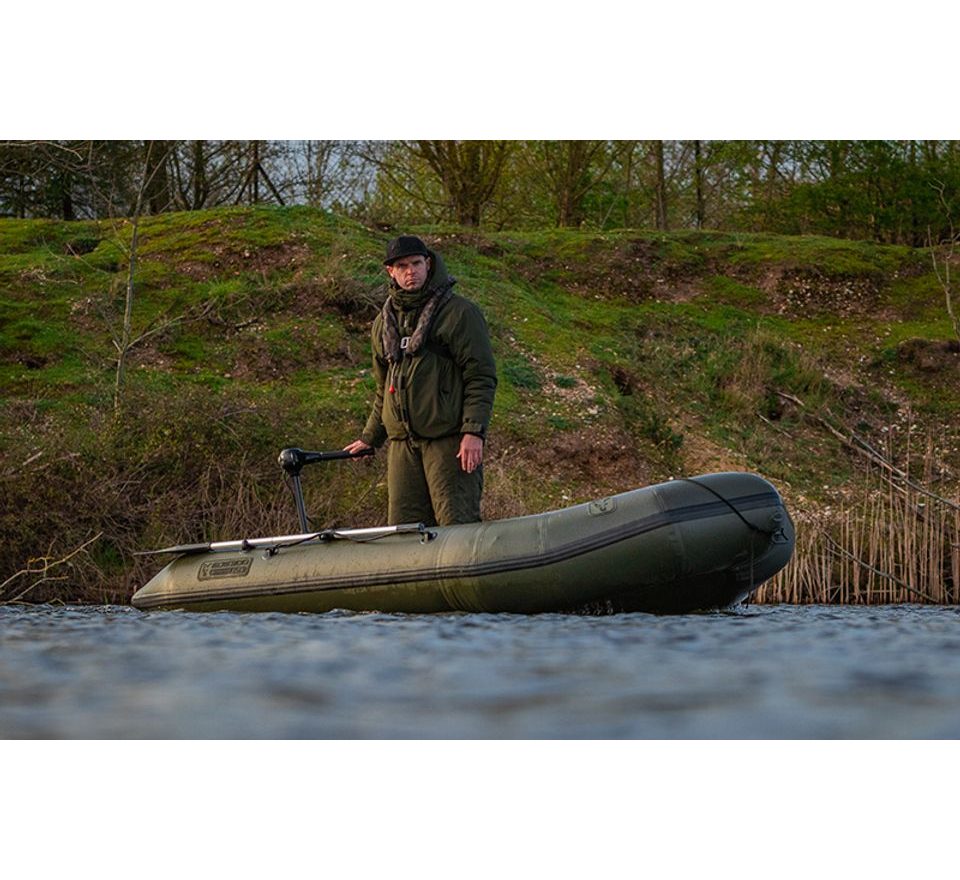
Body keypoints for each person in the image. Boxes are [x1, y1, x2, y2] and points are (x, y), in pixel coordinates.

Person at [344, 235, 497, 527]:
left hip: (448, 442)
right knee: (404, 533)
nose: (410, 271)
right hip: (402, 447)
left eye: (416, 263)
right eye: (402, 266)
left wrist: (474, 432)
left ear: (428, 264)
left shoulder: (459, 313)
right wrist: (369, 438)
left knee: (457, 527)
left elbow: (481, 376)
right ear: (391, 271)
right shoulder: (383, 322)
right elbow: (383, 389)